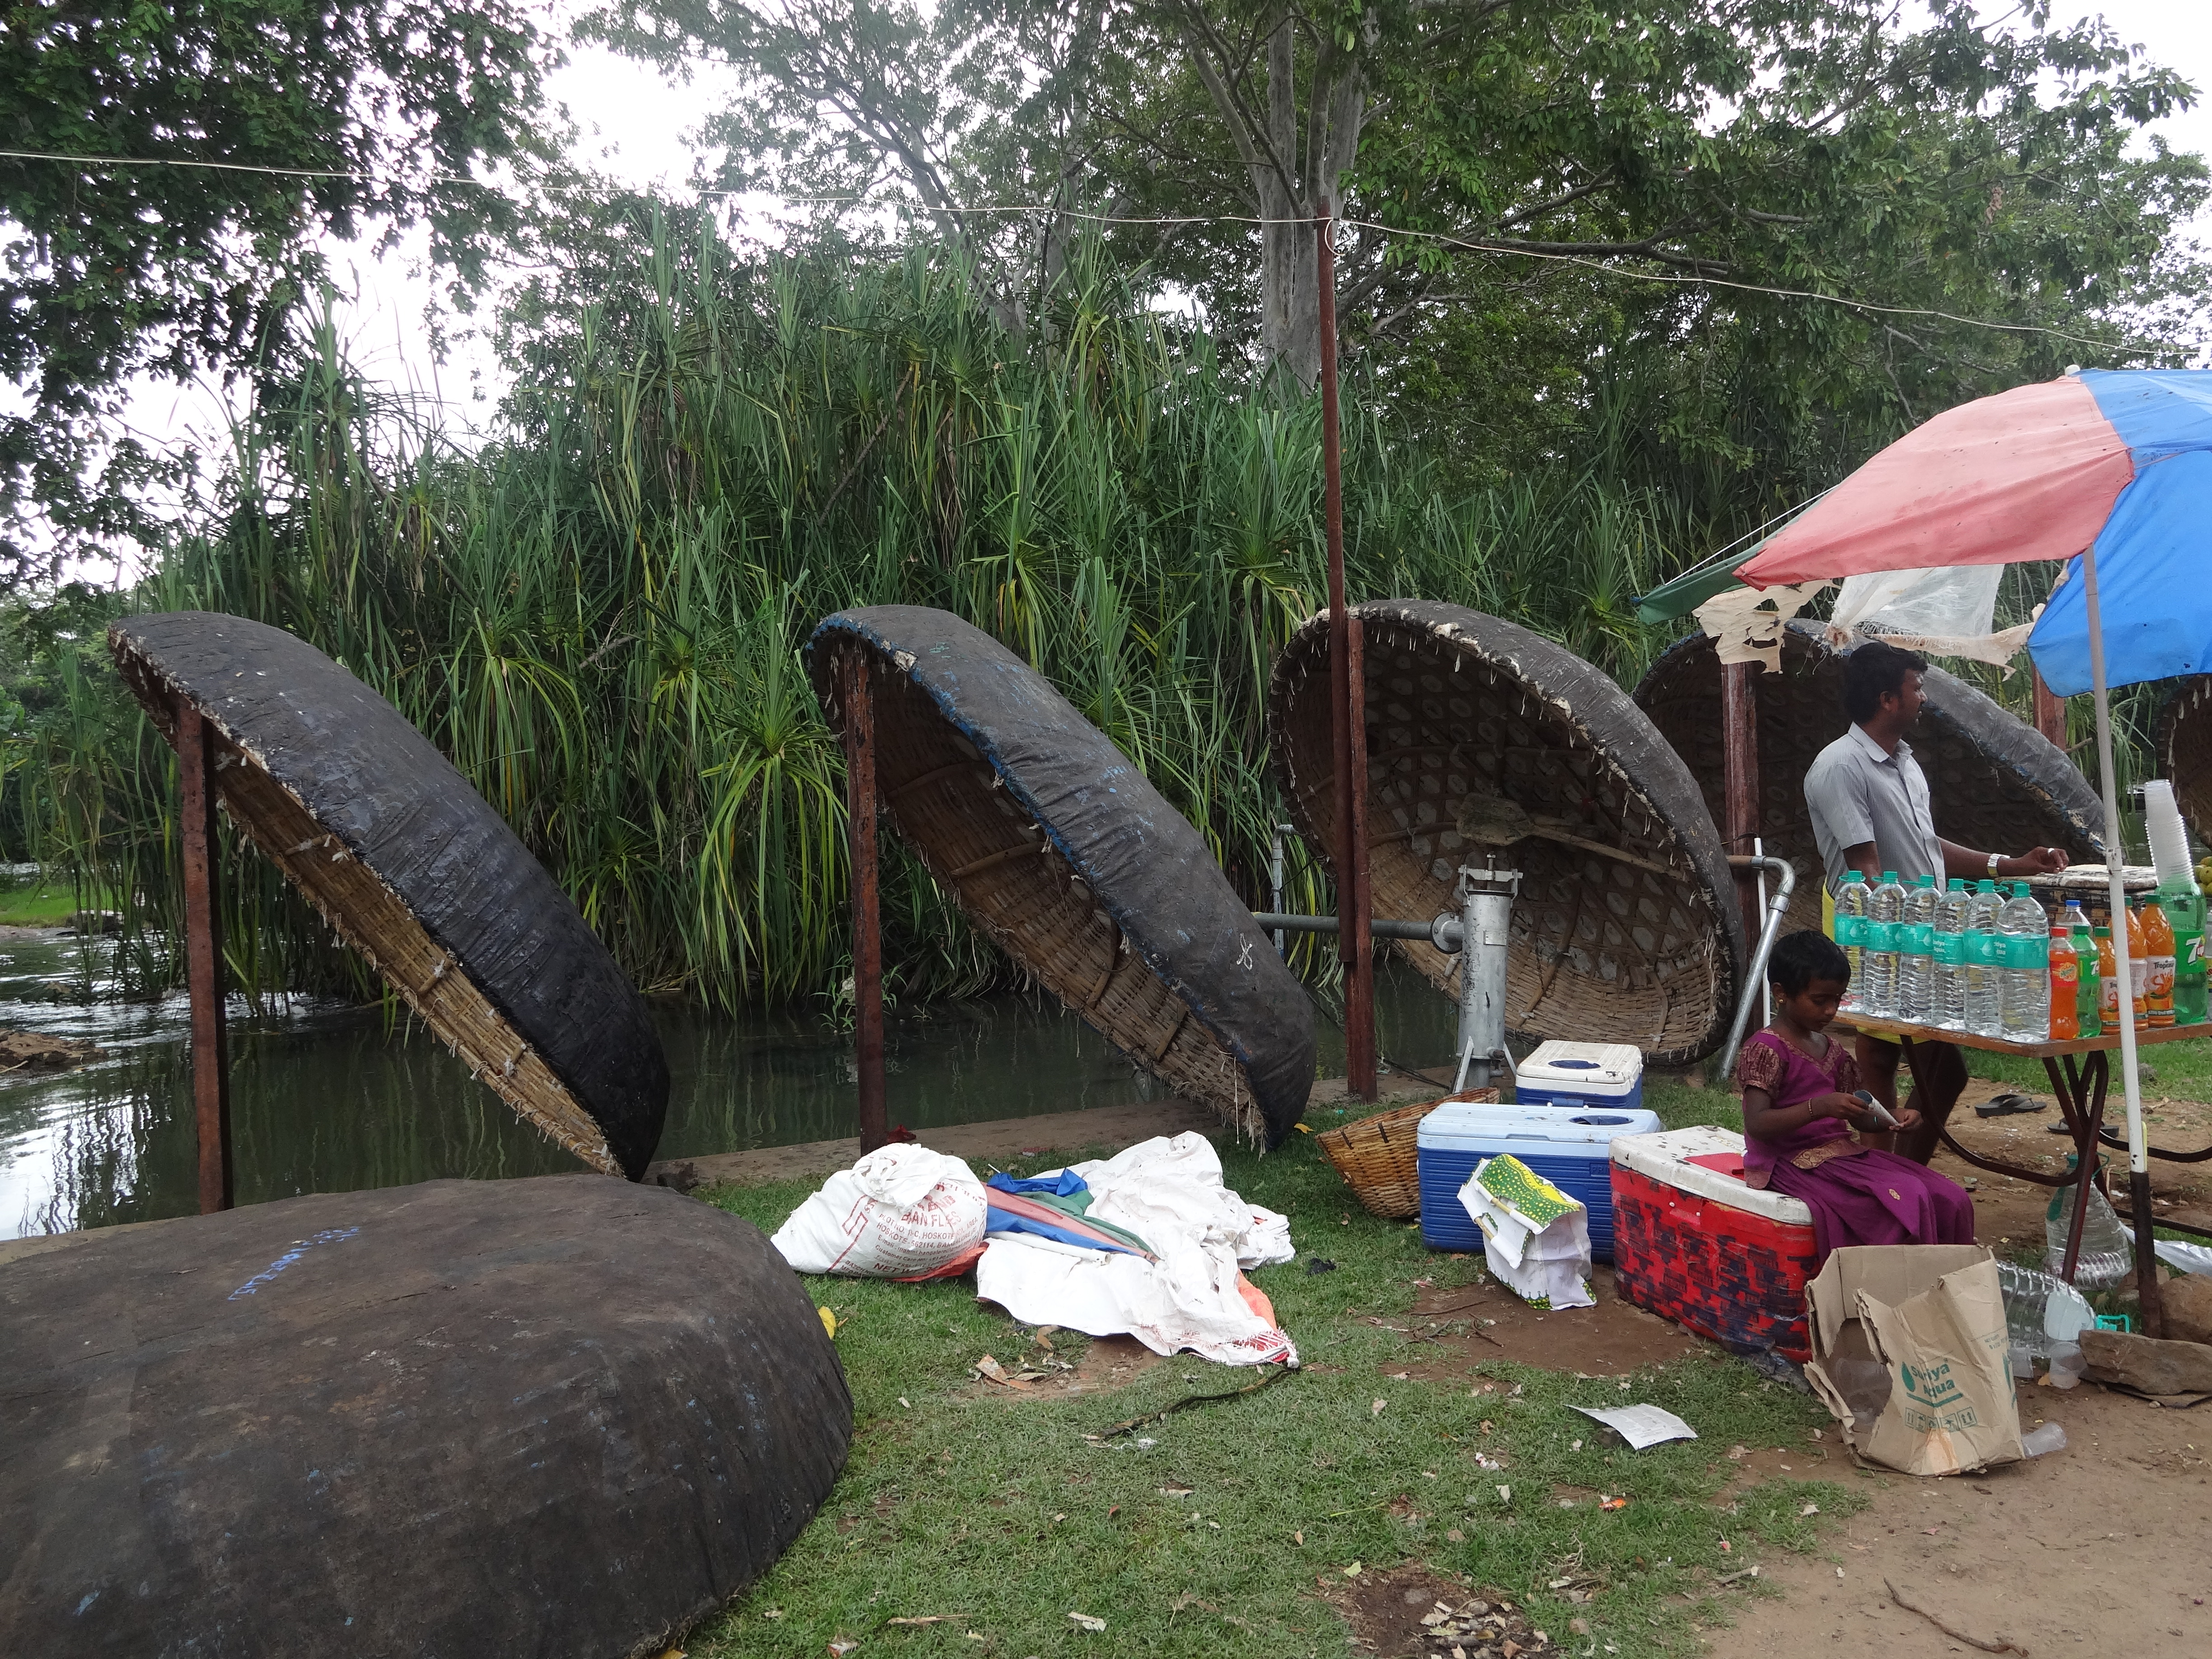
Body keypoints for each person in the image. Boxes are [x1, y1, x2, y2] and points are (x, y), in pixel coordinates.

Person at [1802, 639, 2068, 1163]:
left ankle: (1901, 1172)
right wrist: (1932, 927)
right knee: (1880, 1052)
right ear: (1887, 700)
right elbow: (1868, 871)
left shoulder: (1904, 762)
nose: (1924, 697)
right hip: (1873, 928)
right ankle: (1882, 1176)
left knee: (1944, 1068)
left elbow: (1927, 849)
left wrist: (2008, 865)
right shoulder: (1840, 766)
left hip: (1920, 927)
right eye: (1916, 688)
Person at [1736, 930, 1975, 1263]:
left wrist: (1892, 1117)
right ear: (1781, 994)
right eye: (1821, 1001)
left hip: (1842, 1155)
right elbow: (1757, 1124)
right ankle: (1891, 1287)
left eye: (1838, 999)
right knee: (1907, 1197)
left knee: (1950, 1196)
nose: (1832, 1010)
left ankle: (1947, 1283)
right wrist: (1818, 1107)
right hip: (1789, 1163)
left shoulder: (1833, 1050)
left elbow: (1859, 1115)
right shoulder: (1767, 1048)